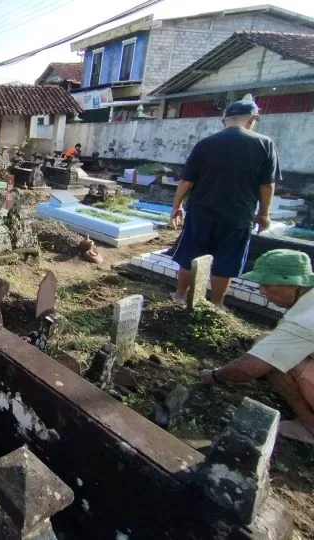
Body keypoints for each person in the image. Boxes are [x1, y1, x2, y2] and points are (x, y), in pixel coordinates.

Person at [170, 97, 279, 307]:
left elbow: (186, 181)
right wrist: (264, 213)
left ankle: (180, 296)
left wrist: (177, 206)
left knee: (191, 256)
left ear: (224, 120)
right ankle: (216, 304)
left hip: (201, 212)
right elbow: (267, 185)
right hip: (238, 215)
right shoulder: (264, 144)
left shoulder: (206, 143)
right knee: (226, 261)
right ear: (253, 119)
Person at [199, 249, 314, 445]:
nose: (263, 293)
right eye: (261, 286)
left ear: (295, 283)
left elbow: (248, 368)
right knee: (268, 344)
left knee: (275, 359)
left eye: (270, 288)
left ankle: (310, 427)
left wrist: (215, 375)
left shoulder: (303, 320)